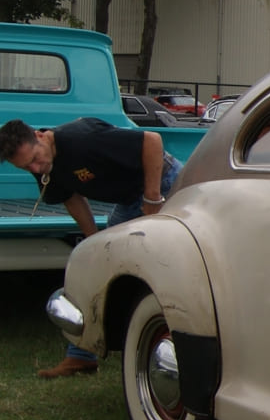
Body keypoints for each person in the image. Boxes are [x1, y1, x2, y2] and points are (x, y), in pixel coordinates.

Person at [0, 118, 181, 377]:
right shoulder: (43, 164)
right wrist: (92, 241)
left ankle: (176, 341)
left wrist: (152, 197)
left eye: (35, 159)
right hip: (129, 200)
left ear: (40, 136)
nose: (36, 168)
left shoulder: (80, 140)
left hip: (165, 183)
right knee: (92, 267)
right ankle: (82, 356)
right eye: (27, 166)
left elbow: (151, 141)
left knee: (167, 267)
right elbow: (70, 198)